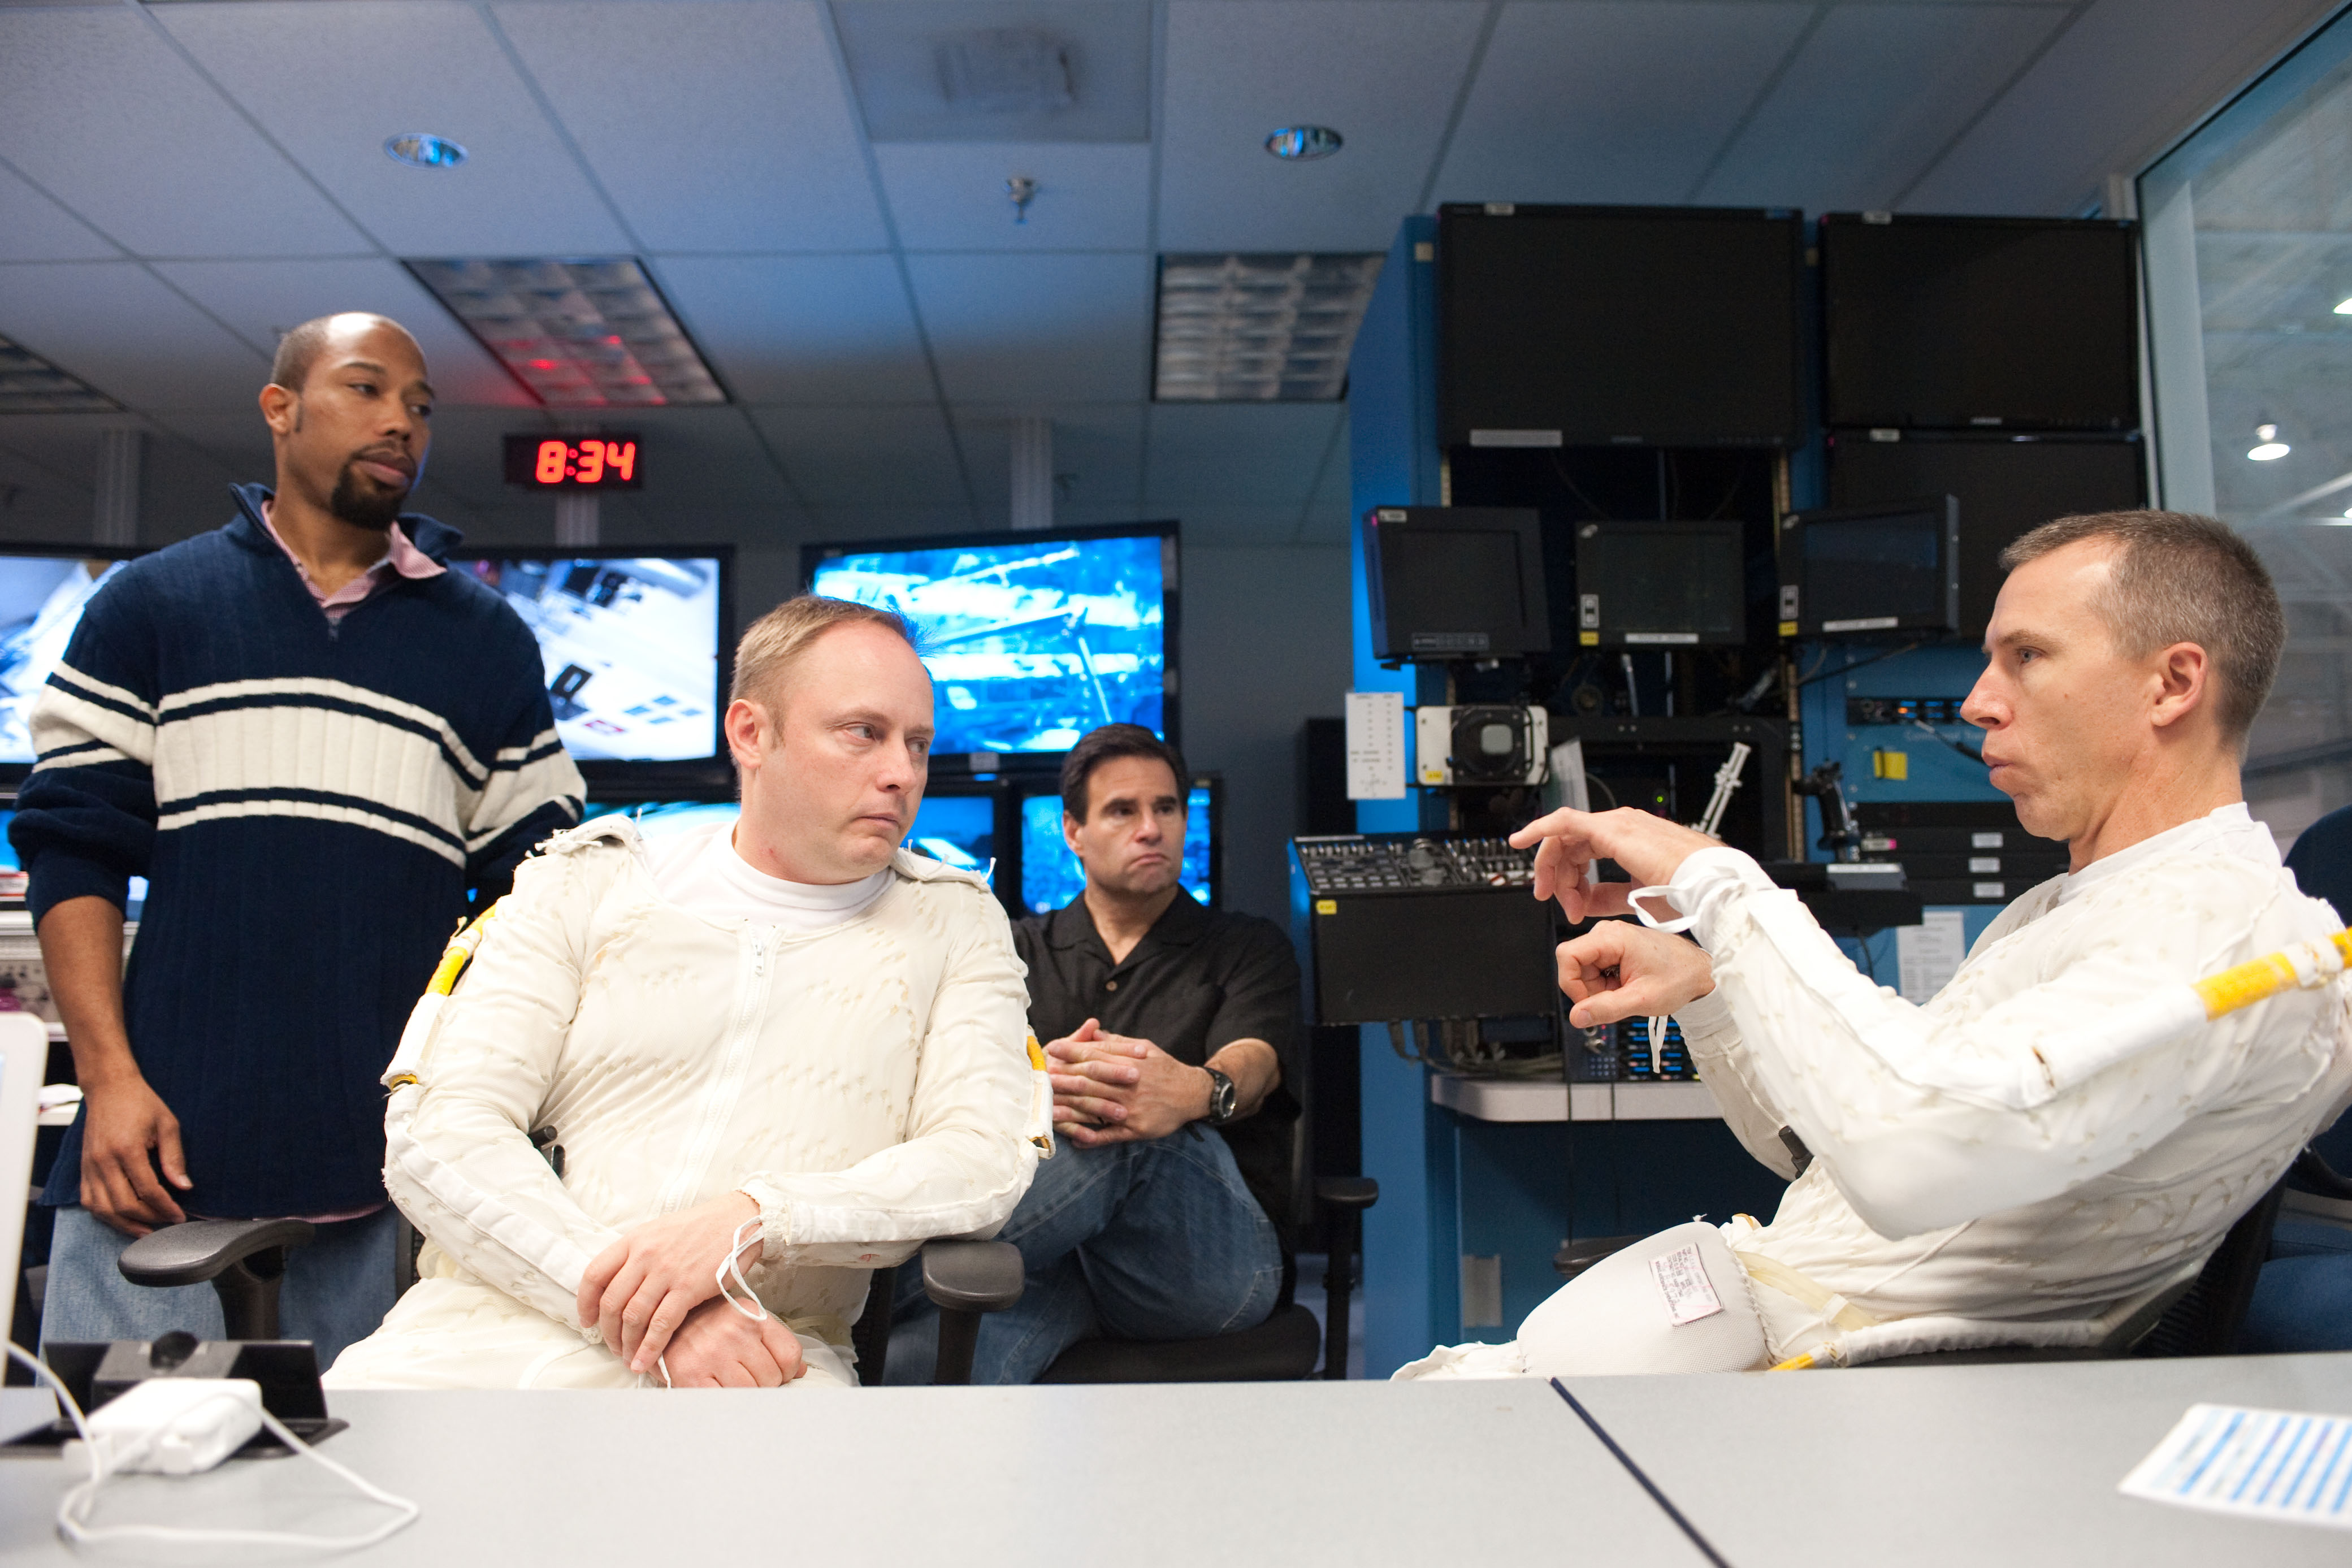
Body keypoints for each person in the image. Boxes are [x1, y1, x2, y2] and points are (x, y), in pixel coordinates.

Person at [1403, 509, 2352, 1378]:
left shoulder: (2230, 933)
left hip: (1819, 1415)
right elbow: (1840, 1146)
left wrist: (1716, 876)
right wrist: (1715, 987)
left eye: (2026, 655)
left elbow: (1909, 1162)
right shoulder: (2085, 906)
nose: (1979, 701)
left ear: (2173, 681)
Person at [18, 313, 582, 1367]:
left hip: (385, 1175)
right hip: (153, 1148)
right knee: (116, 1493)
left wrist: (472, 1112)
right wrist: (107, 1080)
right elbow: (73, 847)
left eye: (420, 406)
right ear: (279, 409)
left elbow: (537, 898)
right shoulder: (152, 605)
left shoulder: (485, 643)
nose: (400, 423)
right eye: (367, 389)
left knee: (362, 1501)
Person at [325, 596, 1046, 1389]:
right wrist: (641, 1304)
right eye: (863, 733)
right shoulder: (585, 880)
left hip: (765, 1353)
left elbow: (980, 1161)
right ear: (750, 733)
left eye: (917, 743)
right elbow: (440, 1131)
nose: (902, 773)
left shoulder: (956, 923)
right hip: (477, 1336)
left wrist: (756, 1218)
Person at [887, 724, 1300, 1384]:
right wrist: (1033, 1080)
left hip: (1203, 1266)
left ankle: (870, 1279)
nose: (1151, 828)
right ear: (1073, 831)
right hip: (1056, 1259)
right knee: (925, 1364)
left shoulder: (1246, 945)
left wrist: (1192, 1090)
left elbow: (1256, 1060)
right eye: (1122, 810)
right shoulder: (1013, 947)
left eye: (1166, 808)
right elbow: (952, 1080)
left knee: (1125, 1119)